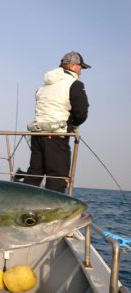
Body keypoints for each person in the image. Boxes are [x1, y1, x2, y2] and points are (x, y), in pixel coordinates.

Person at [22, 51, 90, 193]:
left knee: (34, 174)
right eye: (80, 67)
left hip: (37, 135)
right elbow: (81, 113)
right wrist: (73, 125)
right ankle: (53, 213)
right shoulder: (74, 84)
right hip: (57, 136)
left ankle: (24, 206)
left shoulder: (43, 86)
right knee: (57, 177)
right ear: (71, 66)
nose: (81, 71)